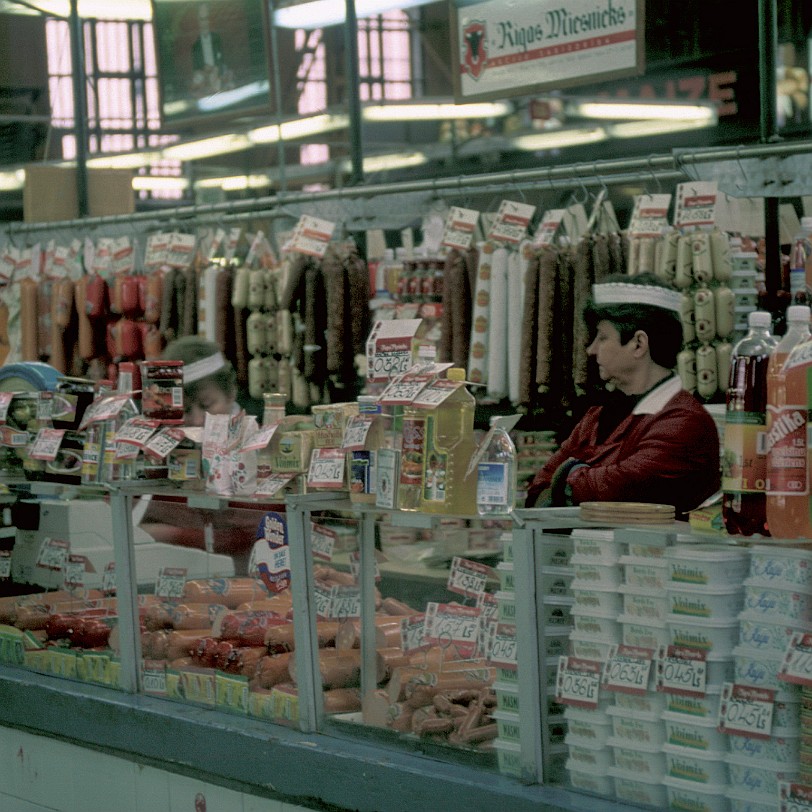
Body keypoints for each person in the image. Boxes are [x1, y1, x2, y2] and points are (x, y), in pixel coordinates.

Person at [525, 273, 720, 518]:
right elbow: (538, 490)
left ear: (638, 344)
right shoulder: (596, 416)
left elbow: (616, 489)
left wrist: (567, 478)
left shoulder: (684, 421)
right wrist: (573, 481)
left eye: (603, 337)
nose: (591, 349)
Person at [136, 337, 262, 575]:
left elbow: (256, 531)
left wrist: (171, 534)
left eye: (207, 405)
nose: (195, 420)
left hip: (247, 580)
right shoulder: (164, 448)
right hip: (175, 579)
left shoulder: (256, 446)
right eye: (183, 410)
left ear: (231, 393)